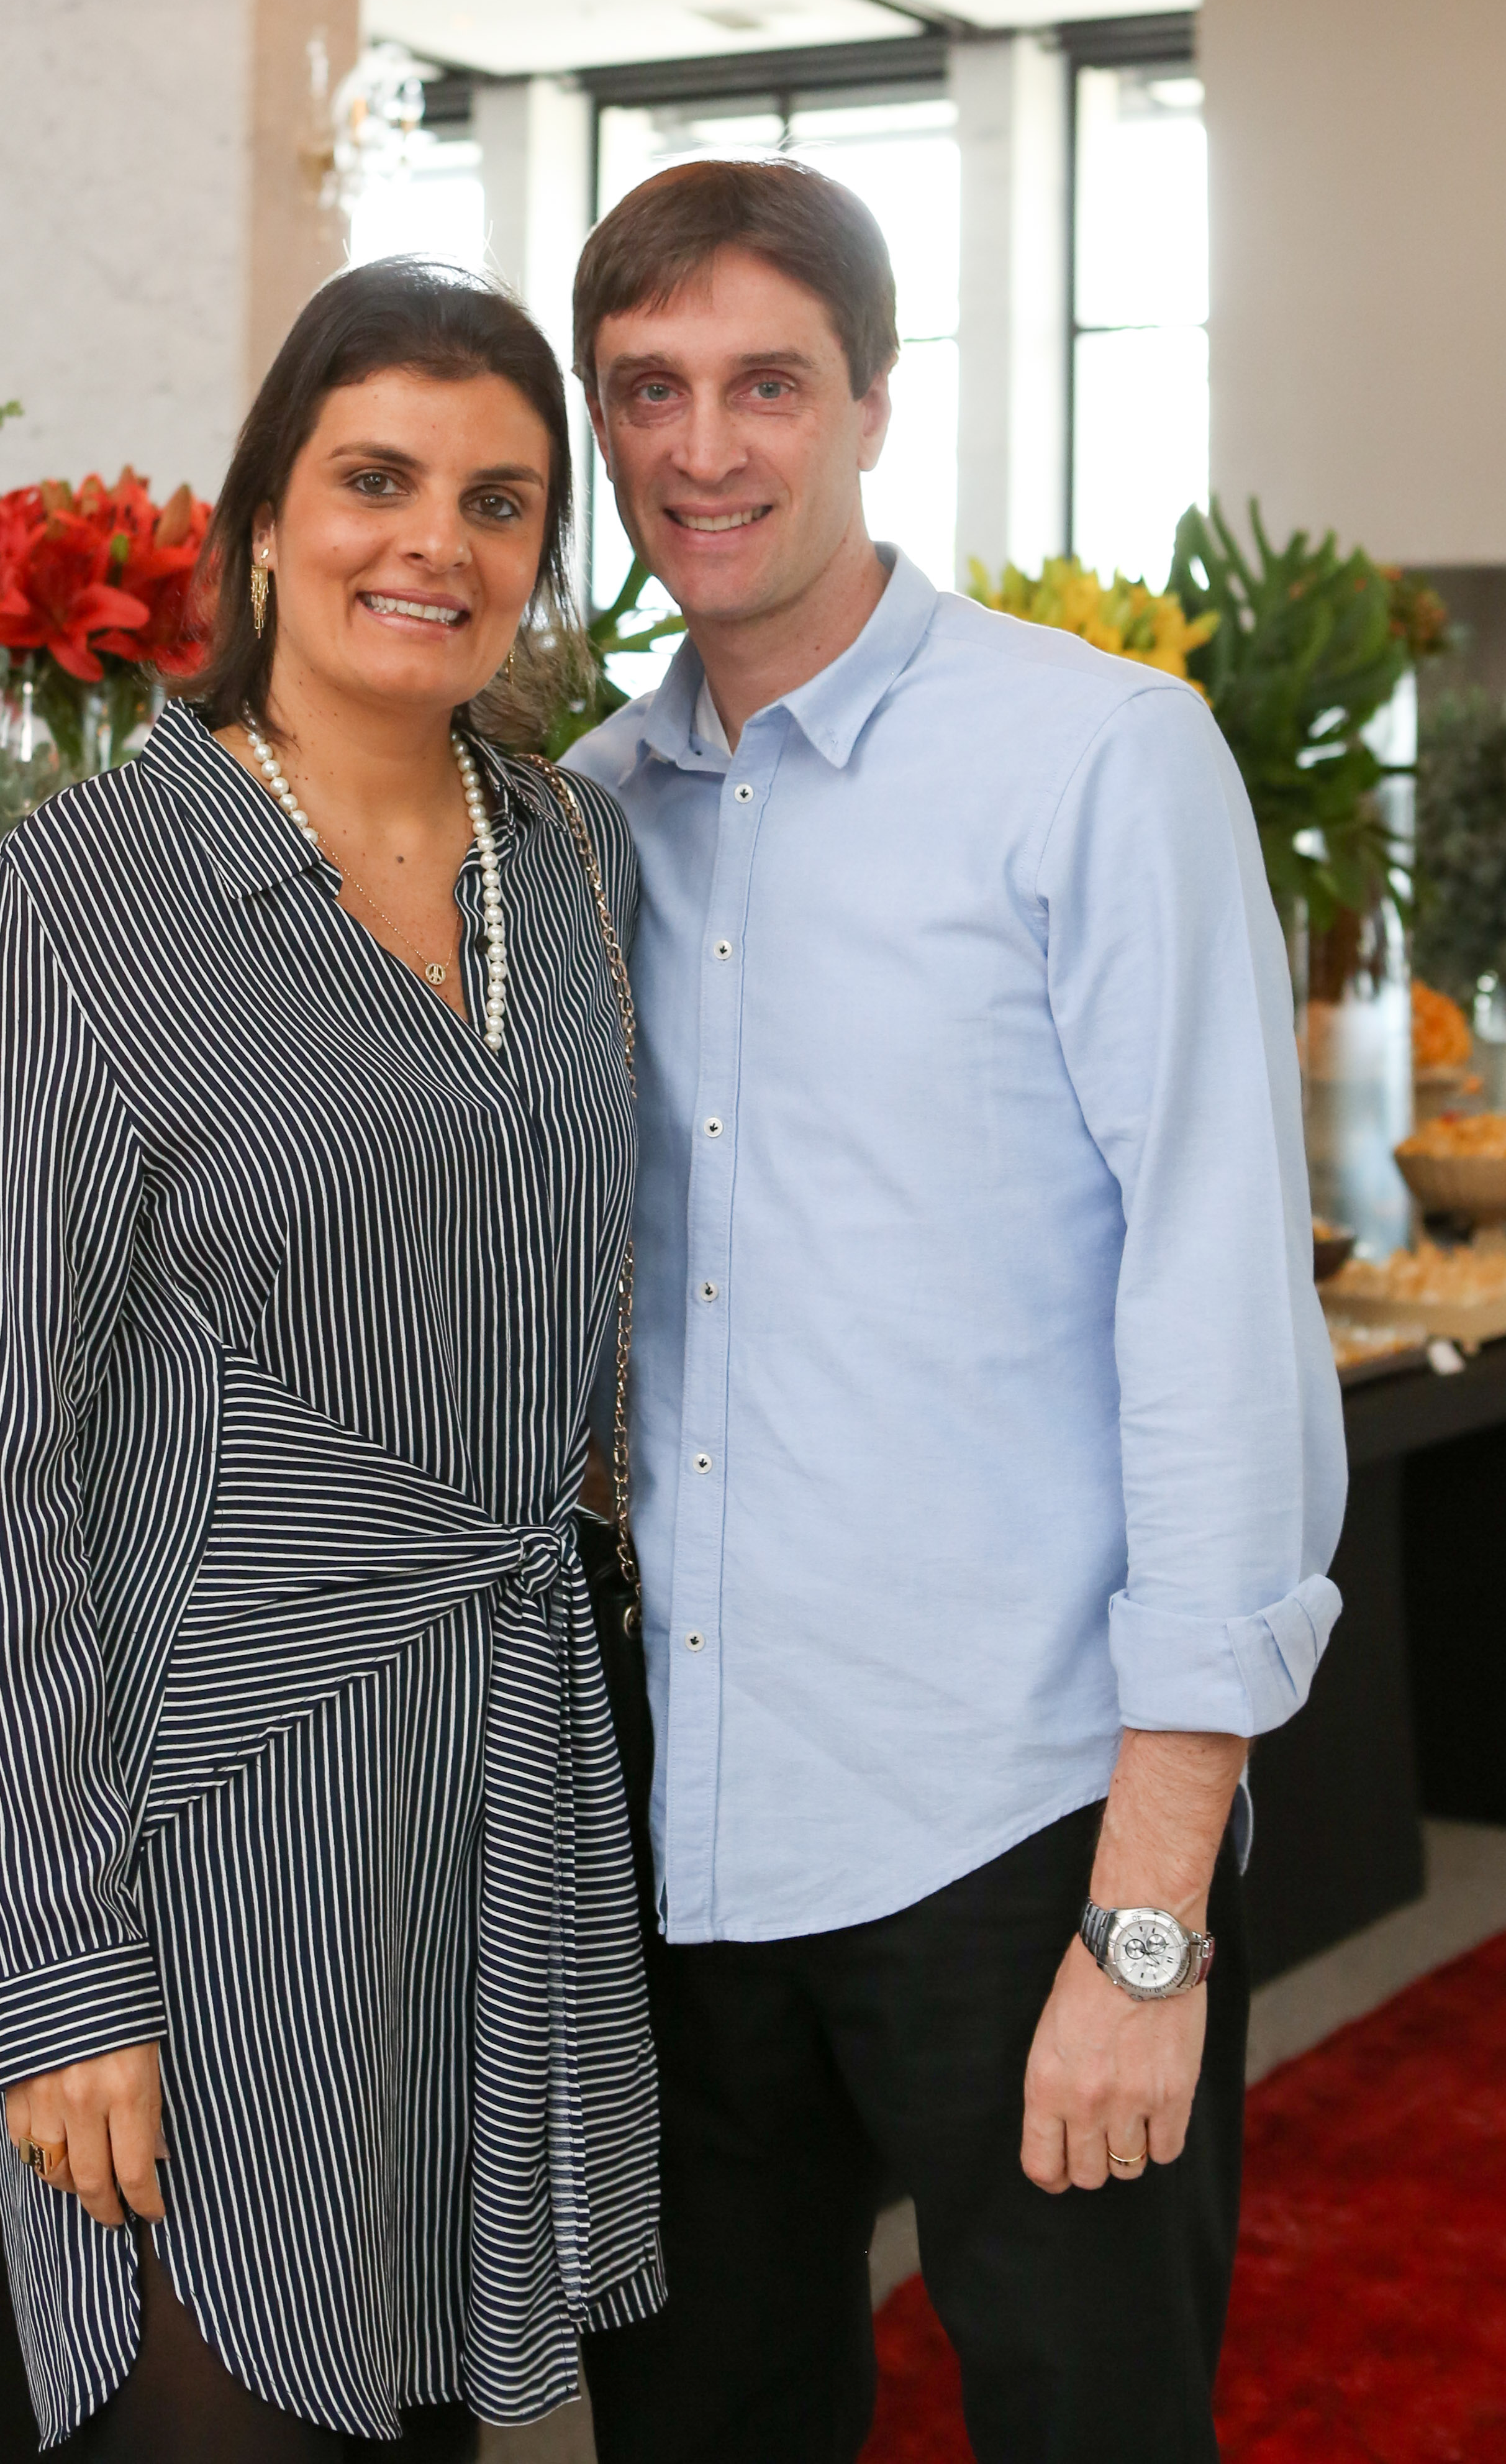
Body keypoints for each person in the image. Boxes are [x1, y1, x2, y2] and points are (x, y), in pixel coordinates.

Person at [563, 159, 1346, 2464]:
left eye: (766, 384)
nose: (704, 447)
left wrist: (1147, 1914)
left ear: (873, 405)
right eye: (647, 392)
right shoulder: (582, 815)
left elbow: (1216, 1319)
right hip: (678, 1830)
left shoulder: (1094, 756)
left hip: (1016, 1822)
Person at [0, 258, 663, 2458]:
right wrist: (56, 1978)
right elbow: (4, 1469)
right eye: (375, 480)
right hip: (221, 1807)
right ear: (263, 521)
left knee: (428, 2416)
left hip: (514, 1765)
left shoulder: (578, 856)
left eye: (499, 502)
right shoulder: (92, 895)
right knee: (225, 2400)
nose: (435, 542)